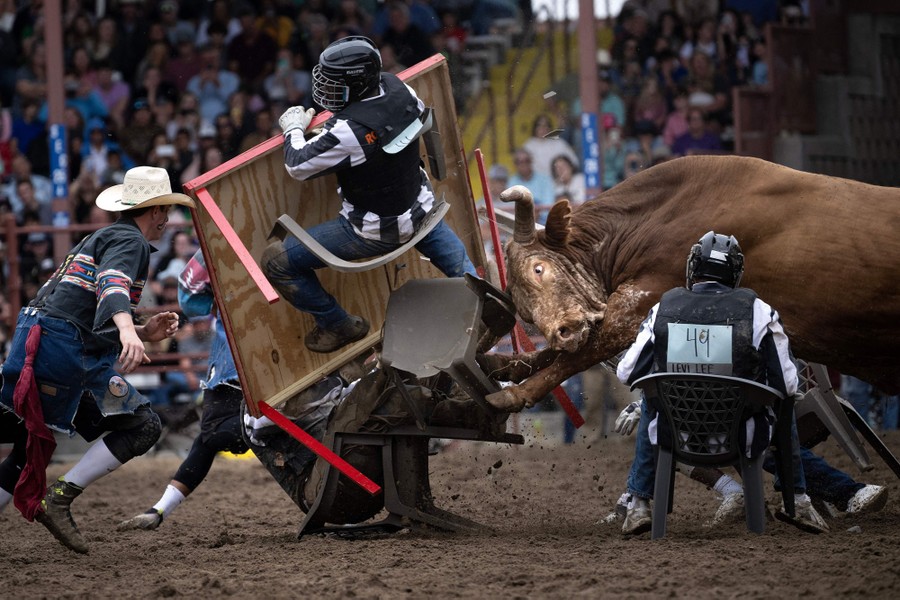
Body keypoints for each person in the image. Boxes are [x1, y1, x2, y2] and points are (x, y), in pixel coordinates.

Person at [0, 166, 195, 554]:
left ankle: (57, 497)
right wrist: (126, 330)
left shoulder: (100, 237)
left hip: (34, 341)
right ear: (155, 210)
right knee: (143, 425)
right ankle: (59, 496)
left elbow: (77, 302)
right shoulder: (130, 242)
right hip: (64, 351)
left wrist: (140, 331)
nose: (167, 220)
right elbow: (112, 282)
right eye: (165, 211)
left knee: (25, 442)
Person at [261, 36, 476, 354]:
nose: (327, 89)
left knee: (274, 262)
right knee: (471, 281)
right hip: (423, 210)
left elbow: (297, 164)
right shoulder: (398, 86)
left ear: (357, 83)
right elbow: (388, 129)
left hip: (375, 231)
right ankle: (481, 293)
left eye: (335, 83)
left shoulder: (351, 132)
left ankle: (337, 322)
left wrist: (292, 128)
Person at [614, 231, 831, 535]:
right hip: (742, 435)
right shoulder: (758, 311)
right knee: (783, 404)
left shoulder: (663, 308)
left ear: (693, 268)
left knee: (653, 400)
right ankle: (797, 499)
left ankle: (639, 502)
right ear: (736, 273)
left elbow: (626, 372)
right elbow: (788, 383)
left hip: (677, 434)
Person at [118, 249, 250, 531]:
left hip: (235, 363)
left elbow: (190, 300)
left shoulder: (218, 244)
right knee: (210, 436)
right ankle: (159, 510)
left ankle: (159, 510)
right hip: (240, 362)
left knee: (211, 434)